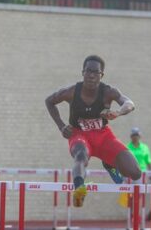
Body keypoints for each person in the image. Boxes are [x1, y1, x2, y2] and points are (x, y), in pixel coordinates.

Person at [45, 55, 141, 207]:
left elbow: (129, 103)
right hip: (79, 135)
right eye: (88, 71)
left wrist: (118, 112)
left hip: (104, 136)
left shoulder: (108, 92)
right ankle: (79, 189)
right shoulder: (71, 92)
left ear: (101, 75)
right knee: (81, 155)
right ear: (82, 72)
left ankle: (108, 164)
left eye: (95, 72)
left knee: (135, 172)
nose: (91, 75)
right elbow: (49, 101)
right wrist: (61, 126)